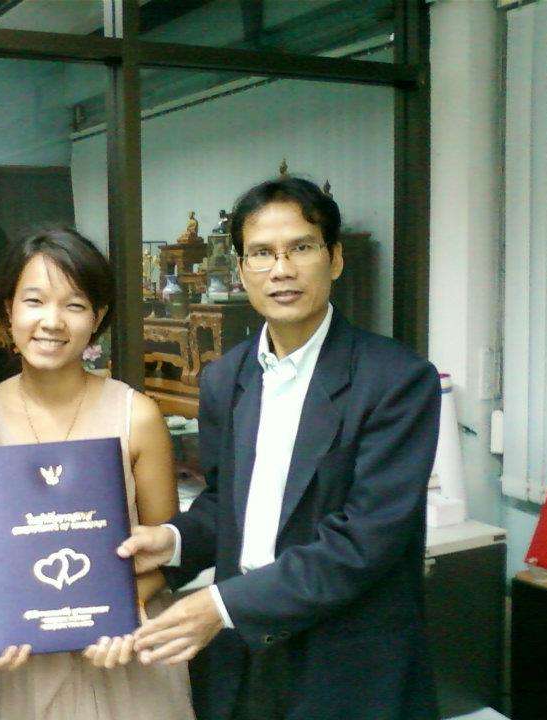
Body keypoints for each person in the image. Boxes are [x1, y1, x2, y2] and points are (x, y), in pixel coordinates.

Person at [120, 176, 441, 720]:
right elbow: (226, 504)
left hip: (347, 661)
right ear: (242, 268)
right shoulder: (226, 378)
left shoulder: (397, 380)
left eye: (301, 248)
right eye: (262, 253)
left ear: (335, 259)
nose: (282, 269)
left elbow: (365, 541)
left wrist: (222, 605)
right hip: (243, 656)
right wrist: (172, 542)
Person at [0, 227, 194, 720]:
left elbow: (166, 550)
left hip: (127, 655)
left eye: (74, 305)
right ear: (9, 310)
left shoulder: (137, 415)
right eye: (34, 301)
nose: (51, 322)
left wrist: (121, 610)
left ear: (97, 318)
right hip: (23, 664)